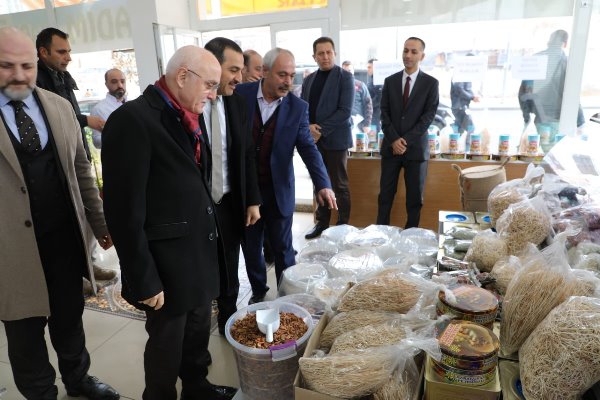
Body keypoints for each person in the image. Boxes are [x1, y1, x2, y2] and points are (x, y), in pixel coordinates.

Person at [101, 46, 237, 400]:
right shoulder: (132, 120)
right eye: (209, 85)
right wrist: (143, 278)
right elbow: (123, 212)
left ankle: (197, 388)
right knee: (167, 345)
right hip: (165, 266)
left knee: (197, 334)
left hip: (197, 253)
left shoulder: (188, 114)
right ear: (182, 76)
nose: (213, 94)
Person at [0, 26, 119, 400]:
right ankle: (41, 394)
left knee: (69, 318)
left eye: (26, 65)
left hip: (64, 240)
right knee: (24, 333)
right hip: (10, 251)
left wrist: (100, 221)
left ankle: (78, 379)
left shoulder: (60, 107)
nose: (19, 75)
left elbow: (81, 168)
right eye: (6, 65)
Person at [236, 47, 336, 304]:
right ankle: (258, 291)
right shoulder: (240, 94)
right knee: (251, 246)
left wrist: (323, 184)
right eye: (282, 75)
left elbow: (308, 148)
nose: (288, 82)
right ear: (265, 71)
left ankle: (287, 297)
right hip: (247, 190)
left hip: (278, 189)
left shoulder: (297, 107)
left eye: (292, 76)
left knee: (283, 248)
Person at [35, 27, 116, 283]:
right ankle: (77, 273)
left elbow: (67, 113)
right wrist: (85, 120)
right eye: (61, 52)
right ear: (43, 52)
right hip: (55, 161)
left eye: (68, 51)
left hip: (77, 151)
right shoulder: (37, 81)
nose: (68, 57)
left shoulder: (62, 76)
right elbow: (55, 117)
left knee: (86, 207)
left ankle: (89, 264)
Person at [203, 37, 261, 334]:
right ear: (213, 66)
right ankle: (198, 321)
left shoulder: (237, 103)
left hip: (229, 200)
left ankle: (227, 319)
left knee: (229, 264)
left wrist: (252, 199)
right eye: (234, 70)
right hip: (198, 204)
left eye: (241, 70)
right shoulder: (191, 104)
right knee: (200, 266)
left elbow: (247, 153)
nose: (240, 78)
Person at [376, 37, 439, 228]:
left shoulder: (431, 83)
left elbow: (427, 117)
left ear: (422, 56)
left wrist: (404, 141)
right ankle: (381, 233)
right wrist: (394, 140)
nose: (408, 55)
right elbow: (384, 114)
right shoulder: (390, 81)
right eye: (405, 50)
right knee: (385, 196)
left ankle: (411, 235)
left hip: (416, 151)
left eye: (413, 51)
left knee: (414, 199)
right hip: (391, 148)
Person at [301, 37, 354, 239]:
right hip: (314, 141)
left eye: (328, 52)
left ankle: (342, 227)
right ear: (314, 56)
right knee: (319, 182)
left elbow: (344, 111)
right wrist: (308, 127)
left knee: (339, 185)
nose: (325, 56)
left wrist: (320, 130)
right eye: (320, 53)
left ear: (334, 53)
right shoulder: (309, 79)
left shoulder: (345, 77)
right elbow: (303, 107)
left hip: (335, 140)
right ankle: (321, 223)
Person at [518, 29, 585, 150]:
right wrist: (580, 121)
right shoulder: (566, 62)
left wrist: (526, 117)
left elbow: (524, 92)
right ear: (565, 43)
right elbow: (572, 95)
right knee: (556, 155)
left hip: (540, 118)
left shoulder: (536, 58)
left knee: (545, 153)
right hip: (559, 120)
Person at [90, 68, 127, 149]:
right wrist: (121, 136)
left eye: (122, 81)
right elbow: (96, 141)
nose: (120, 85)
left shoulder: (133, 104)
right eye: (114, 82)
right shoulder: (99, 109)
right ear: (106, 84)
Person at [450, 53, 480, 134]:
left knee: (460, 131)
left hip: (461, 106)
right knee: (470, 129)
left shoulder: (465, 73)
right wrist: (472, 97)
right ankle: (468, 142)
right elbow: (459, 89)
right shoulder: (460, 73)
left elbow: (466, 89)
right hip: (460, 107)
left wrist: (473, 96)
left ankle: (455, 140)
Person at [341, 60, 373, 133]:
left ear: (353, 71)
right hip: (342, 125)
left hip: (358, 125)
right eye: (345, 71)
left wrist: (367, 124)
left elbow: (368, 105)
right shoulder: (337, 87)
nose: (347, 73)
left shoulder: (360, 85)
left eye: (349, 70)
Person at [367, 58, 383, 132]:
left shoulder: (380, 81)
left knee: (376, 137)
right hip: (373, 116)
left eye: (369, 67)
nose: (367, 69)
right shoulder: (372, 80)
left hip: (377, 116)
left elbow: (379, 99)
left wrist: (367, 106)